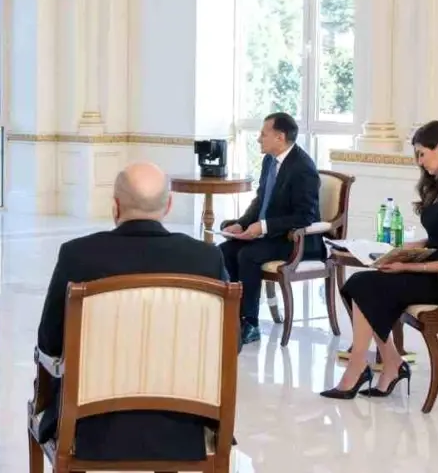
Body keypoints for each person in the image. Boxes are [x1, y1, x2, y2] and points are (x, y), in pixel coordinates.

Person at [35, 161, 230, 462]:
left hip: (90, 428)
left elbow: (50, 342)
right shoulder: (206, 259)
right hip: (184, 429)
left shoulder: (78, 255)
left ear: (115, 206)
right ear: (168, 205)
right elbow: (231, 344)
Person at [321, 121, 438, 399]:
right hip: (430, 271)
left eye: (421, 154)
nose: (419, 161)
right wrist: (404, 248)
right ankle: (389, 363)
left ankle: (361, 367)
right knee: (359, 284)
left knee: (364, 285)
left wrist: (408, 265)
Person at [218, 112, 321, 344]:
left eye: (263, 134)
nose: (258, 139)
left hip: (295, 240)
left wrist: (263, 226)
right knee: (225, 250)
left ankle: (250, 323)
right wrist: (242, 224)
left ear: (280, 137)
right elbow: (260, 201)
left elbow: (305, 216)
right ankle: (233, 316)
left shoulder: (303, 167)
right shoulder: (269, 161)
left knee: (248, 255)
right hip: (271, 235)